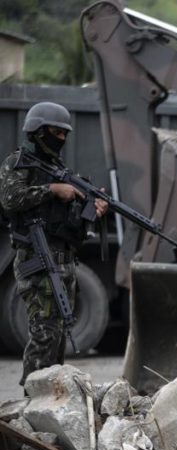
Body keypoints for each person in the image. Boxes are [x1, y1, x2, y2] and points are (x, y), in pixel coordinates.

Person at [0, 102, 108, 387]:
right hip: (37, 259)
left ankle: (47, 402)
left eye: (64, 134)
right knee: (43, 334)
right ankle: (31, 398)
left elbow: (72, 225)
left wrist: (91, 211)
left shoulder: (59, 170)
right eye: (55, 132)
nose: (61, 139)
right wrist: (51, 190)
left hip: (64, 261)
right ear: (37, 131)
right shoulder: (19, 162)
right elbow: (10, 198)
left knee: (58, 337)